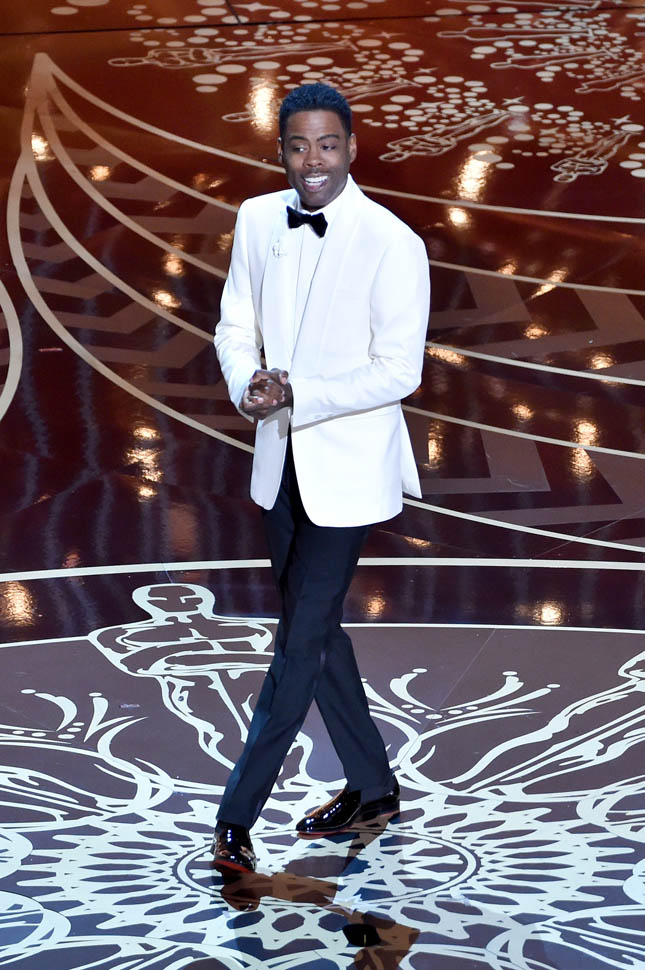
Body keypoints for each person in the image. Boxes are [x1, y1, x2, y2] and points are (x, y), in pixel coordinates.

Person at [212, 82, 430, 873]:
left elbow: (398, 372)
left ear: (351, 148)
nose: (313, 160)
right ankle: (372, 787)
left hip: (347, 471)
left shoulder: (392, 242)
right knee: (320, 631)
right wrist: (249, 384)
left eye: (327, 145)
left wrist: (299, 392)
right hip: (280, 461)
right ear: (281, 150)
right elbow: (235, 322)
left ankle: (236, 814)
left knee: (299, 643)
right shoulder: (255, 219)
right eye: (298, 145)